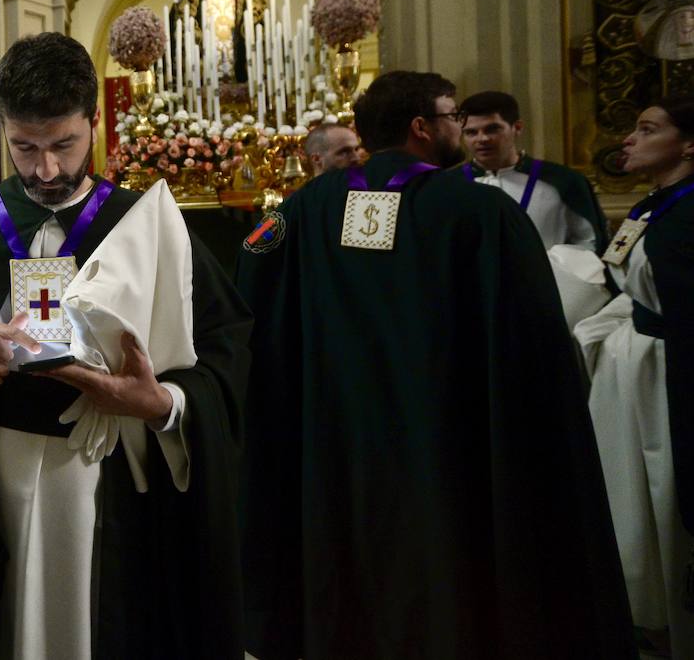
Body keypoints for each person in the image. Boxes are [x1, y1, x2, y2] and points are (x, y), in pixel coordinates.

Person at [236, 70, 633, 660]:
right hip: (451, 440)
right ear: (422, 127)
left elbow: (250, 267)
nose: (460, 128)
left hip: (336, 438)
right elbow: (532, 339)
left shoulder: (302, 208)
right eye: (452, 117)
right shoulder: (482, 213)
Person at [0, 33, 251, 658]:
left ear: (94, 122)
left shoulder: (148, 226)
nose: (45, 169)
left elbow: (228, 353)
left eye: (63, 145)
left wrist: (163, 404)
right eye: (24, 147)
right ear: (1, 130)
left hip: (117, 480)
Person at [576, 95, 694, 657]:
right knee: (630, 497)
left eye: (648, 129)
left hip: (671, 371)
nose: (629, 138)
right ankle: (646, 613)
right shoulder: (655, 203)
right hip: (633, 363)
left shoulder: (688, 212)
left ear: (689, 144)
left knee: (666, 491)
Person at [459, 90, 607, 252]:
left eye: (492, 129)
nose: (482, 139)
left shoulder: (563, 181)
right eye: (471, 132)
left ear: (517, 127)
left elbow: (589, 242)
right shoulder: (451, 185)